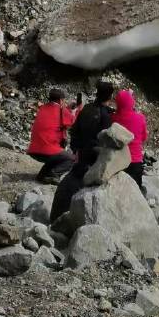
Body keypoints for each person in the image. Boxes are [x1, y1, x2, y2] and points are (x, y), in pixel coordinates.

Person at [50, 81, 114, 222]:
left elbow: (74, 131)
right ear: (109, 97)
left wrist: (76, 149)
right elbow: (106, 141)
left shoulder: (87, 109)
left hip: (82, 155)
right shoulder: (106, 116)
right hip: (93, 159)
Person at [27, 88, 77, 184]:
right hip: (48, 150)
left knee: (57, 154)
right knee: (71, 158)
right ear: (61, 100)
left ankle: (42, 175)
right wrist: (74, 111)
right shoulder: (61, 110)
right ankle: (53, 174)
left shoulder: (42, 108)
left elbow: (56, 118)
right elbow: (73, 121)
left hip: (33, 150)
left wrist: (67, 109)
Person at [112, 89, 148, 189]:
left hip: (119, 162)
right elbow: (144, 137)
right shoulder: (140, 118)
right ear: (132, 102)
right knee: (136, 191)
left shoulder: (113, 118)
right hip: (135, 161)